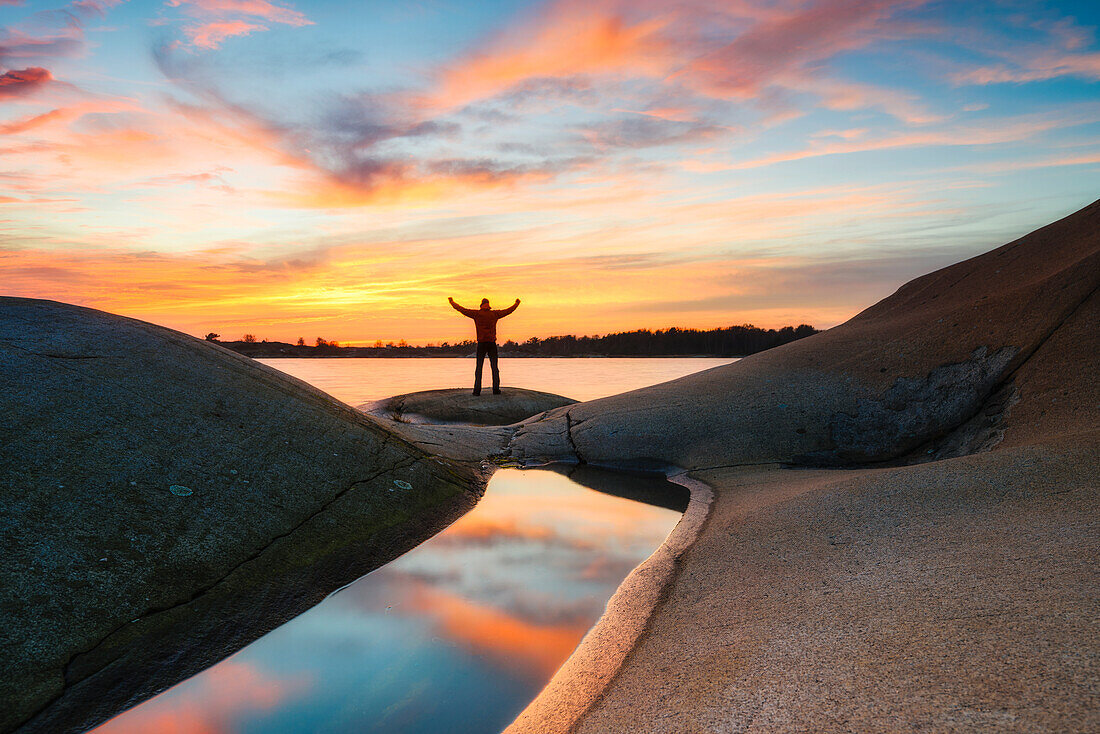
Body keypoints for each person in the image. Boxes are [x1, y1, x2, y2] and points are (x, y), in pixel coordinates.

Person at [449, 296, 520, 395]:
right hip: (492, 344)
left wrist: (452, 302)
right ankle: (496, 390)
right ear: (488, 305)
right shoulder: (494, 314)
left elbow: (462, 309)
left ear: (481, 305)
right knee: (494, 367)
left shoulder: (477, 314)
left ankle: (477, 391)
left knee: (479, 368)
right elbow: (508, 311)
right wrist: (516, 303)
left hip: (481, 344)